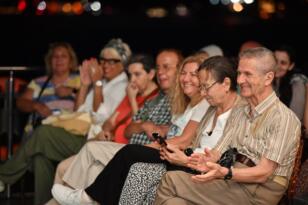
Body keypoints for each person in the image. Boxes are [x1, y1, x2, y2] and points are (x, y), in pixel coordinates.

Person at [51, 54, 215, 205]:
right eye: (183, 73)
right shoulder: (185, 104)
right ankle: (83, 198)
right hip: (165, 149)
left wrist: (147, 147)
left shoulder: (202, 103)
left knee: (125, 152)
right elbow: (128, 128)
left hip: (173, 155)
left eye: (193, 74)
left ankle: (85, 198)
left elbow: (185, 139)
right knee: (94, 158)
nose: (186, 78)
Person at [154, 47, 301, 205]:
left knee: (170, 180)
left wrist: (226, 172)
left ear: (268, 78)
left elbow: (264, 173)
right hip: (233, 180)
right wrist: (201, 160)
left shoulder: (283, 117)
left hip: (259, 190)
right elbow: (219, 151)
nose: (239, 81)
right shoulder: (241, 111)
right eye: (239, 73)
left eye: (248, 74)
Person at [0, 38, 131, 205]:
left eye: (112, 61)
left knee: (43, 133)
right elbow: (80, 111)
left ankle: (3, 176)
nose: (105, 64)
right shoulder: (104, 81)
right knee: (40, 157)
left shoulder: (121, 85)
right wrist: (85, 85)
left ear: (123, 63)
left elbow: (99, 116)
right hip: (76, 134)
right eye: (103, 60)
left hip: (93, 140)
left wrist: (94, 83)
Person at [118, 56, 245, 205]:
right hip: (189, 164)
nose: (203, 93)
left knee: (140, 172)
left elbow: (222, 159)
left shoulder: (240, 113)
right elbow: (192, 142)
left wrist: (184, 159)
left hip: (207, 174)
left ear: (226, 83)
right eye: (201, 87)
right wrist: (176, 152)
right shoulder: (211, 109)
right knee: (139, 170)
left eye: (206, 87)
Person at [16, 42, 80, 141]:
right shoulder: (38, 82)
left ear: (71, 61)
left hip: (69, 130)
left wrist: (73, 92)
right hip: (41, 129)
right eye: (55, 56)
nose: (59, 59)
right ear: (50, 61)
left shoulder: (81, 81)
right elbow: (20, 103)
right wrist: (36, 106)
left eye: (63, 56)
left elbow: (93, 104)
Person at [274, 45, 308, 121]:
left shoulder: (297, 82)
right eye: (275, 61)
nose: (277, 66)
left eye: (283, 63)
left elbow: (295, 118)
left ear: (291, 66)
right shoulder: (266, 80)